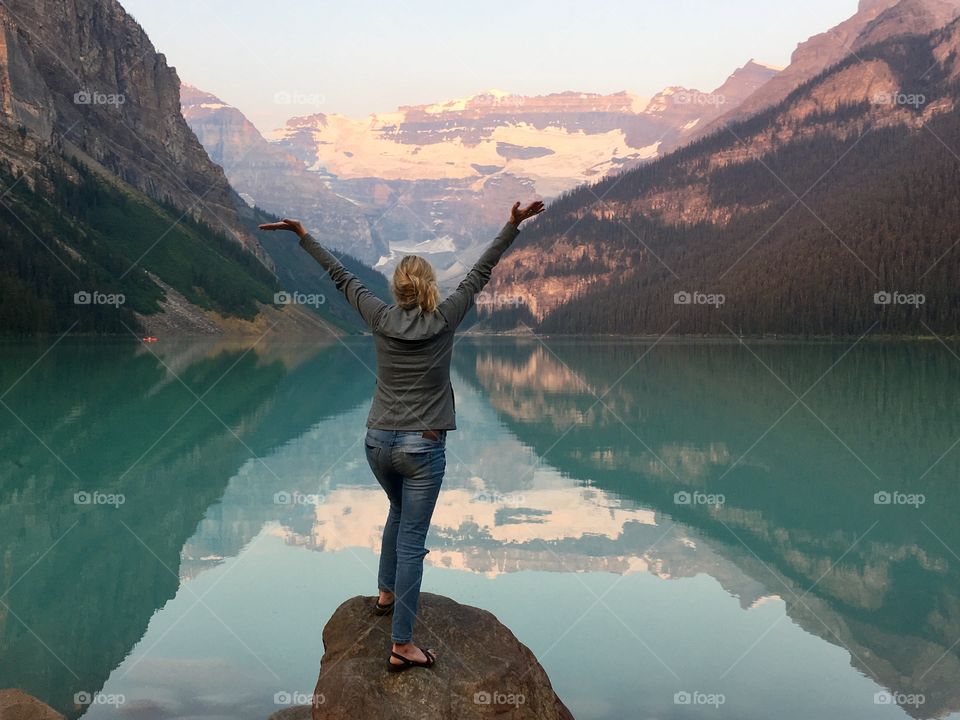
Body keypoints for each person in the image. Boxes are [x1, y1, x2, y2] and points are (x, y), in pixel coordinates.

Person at [259, 200, 544, 671]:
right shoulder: (446, 316)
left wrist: (303, 236)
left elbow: (340, 277)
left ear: (396, 287)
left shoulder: (378, 315)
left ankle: (386, 592)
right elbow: (481, 270)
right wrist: (512, 224)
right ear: (430, 287)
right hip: (422, 446)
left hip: (377, 444)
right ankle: (402, 644)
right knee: (413, 538)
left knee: (396, 511)